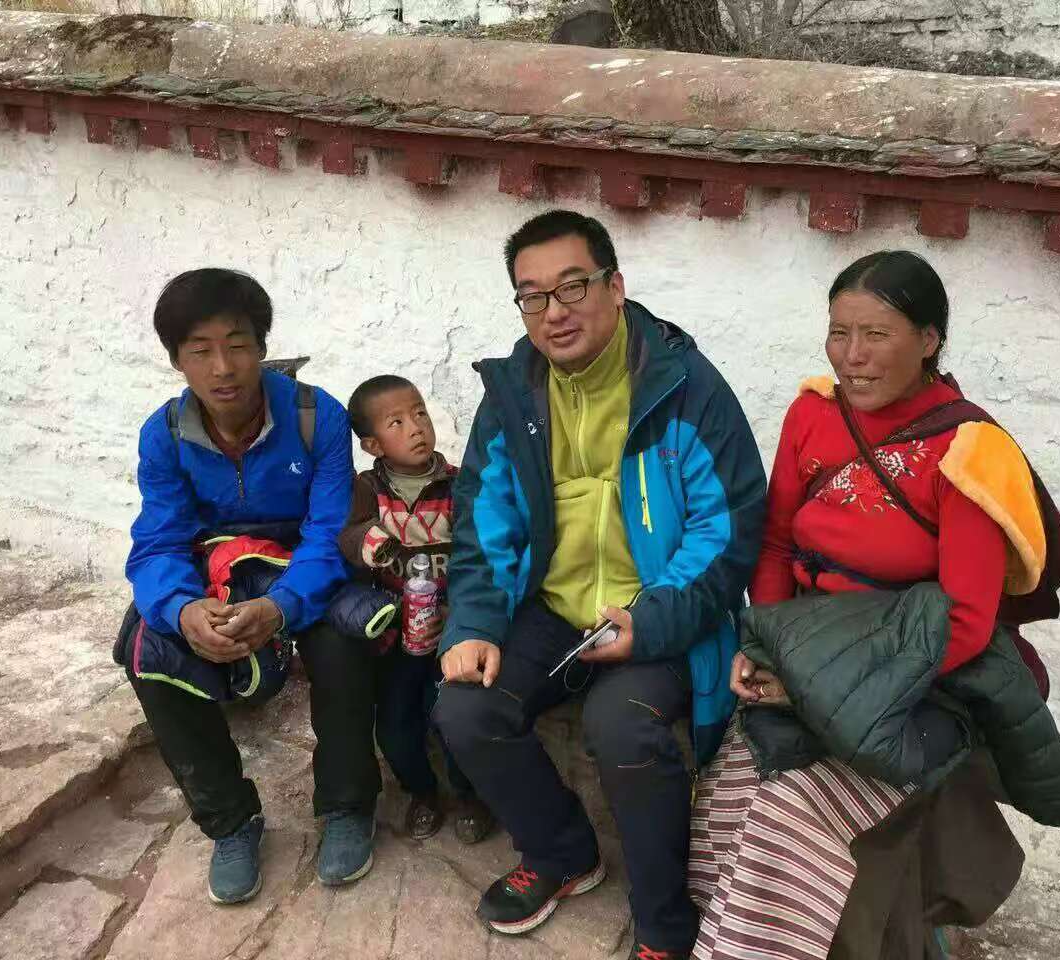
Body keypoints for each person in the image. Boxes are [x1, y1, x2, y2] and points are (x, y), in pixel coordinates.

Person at [688, 250, 1060, 959]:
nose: (853, 356)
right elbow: (775, 545)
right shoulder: (813, 414)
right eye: (839, 333)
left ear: (929, 339)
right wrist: (764, 646)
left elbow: (965, 624)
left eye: (877, 334)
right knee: (727, 792)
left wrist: (814, 686)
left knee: (787, 814)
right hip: (806, 655)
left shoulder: (968, 451)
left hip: (918, 685)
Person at [433, 210, 767, 960]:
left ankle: (664, 924)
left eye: (572, 286)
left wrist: (652, 623)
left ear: (615, 287)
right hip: (552, 608)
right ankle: (562, 854)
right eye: (532, 295)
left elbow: (729, 528)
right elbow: (483, 518)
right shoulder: (515, 393)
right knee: (465, 706)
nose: (554, 312)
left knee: (623, 727)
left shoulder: (683, 387)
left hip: (657, 608)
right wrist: (474, 623)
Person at [122, 268, 379, 905]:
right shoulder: (164, 435)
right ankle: (231, 821)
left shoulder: (316, 416)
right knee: (148, 653)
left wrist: (282, 605)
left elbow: (328, 531)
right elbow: (158, 541)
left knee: (342, 644)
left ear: (262, 347)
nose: (222, 368)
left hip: (303, 562)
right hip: (215, 567)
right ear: (176, 359)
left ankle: (347, 804)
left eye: (237, 345)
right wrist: (182, 610)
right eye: (199, 350)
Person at [335, 374, 493, 844]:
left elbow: (481, 549)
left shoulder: (458, 484)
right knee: (396, 725)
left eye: (420, 413)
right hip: (395, 636)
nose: (416, 427)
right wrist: (370, 543)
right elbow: (348, 533)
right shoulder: (368, 489)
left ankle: (470, 796)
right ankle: (421, 792)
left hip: (450, 629)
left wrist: (461, 612)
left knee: (452, 717)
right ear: (372, 444)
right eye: (397, 422)